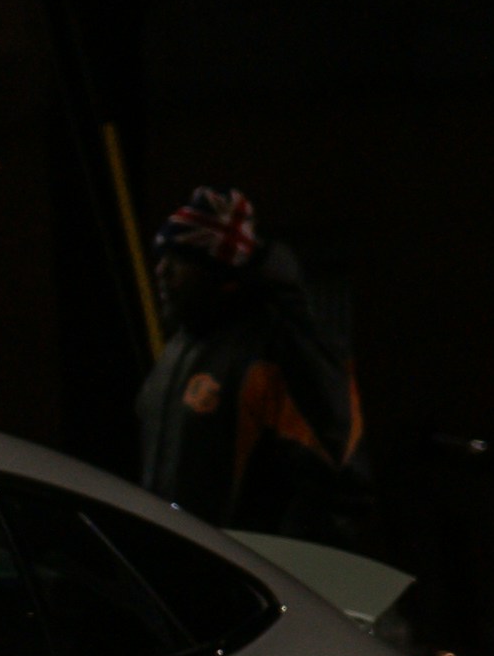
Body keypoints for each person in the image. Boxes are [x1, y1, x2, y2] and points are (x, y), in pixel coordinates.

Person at [135, 184, 367, 538]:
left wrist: (279, 580)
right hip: (183, 571)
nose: (162, 272)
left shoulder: (279, 349)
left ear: (218, 270)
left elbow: (334, 481)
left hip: (244, 577)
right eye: (161, 257)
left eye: (180, 259)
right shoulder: (181, 348)